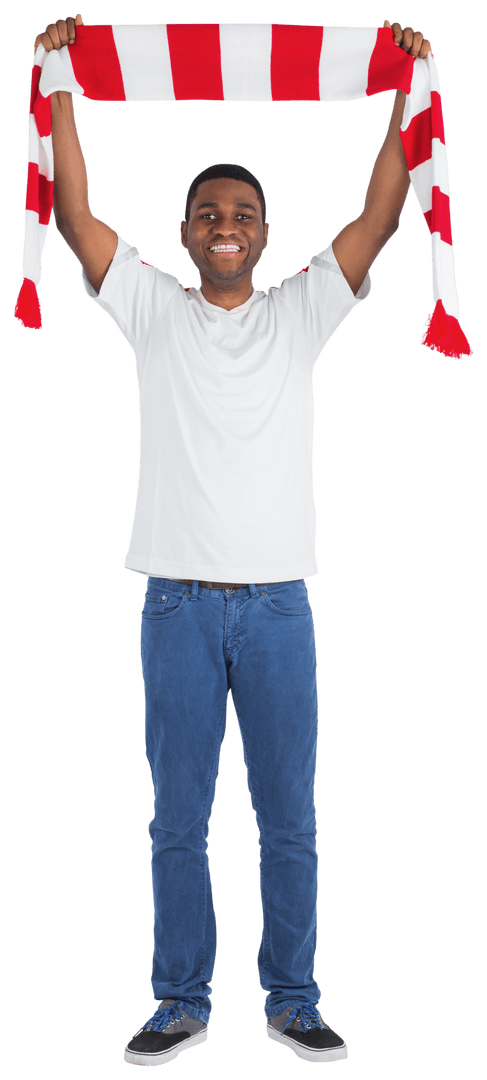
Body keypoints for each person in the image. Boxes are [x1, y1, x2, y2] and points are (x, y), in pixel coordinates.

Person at [35, 13, 432, 1068]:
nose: (225, 224)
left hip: (277, 609)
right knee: (176, 819)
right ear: (183, 230)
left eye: (243, 214)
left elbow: (381, 213)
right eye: (208, 211)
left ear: (262, 233)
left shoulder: (301, 310)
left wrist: (408, 88)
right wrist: (58, 78)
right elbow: (74, 212)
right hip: (172, 601)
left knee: (288, 816)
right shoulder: (154, 311)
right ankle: (178, 1004)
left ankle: (294, 1000)